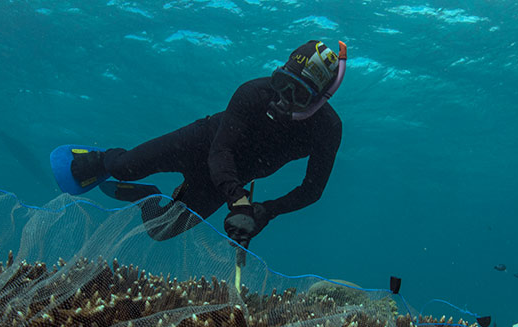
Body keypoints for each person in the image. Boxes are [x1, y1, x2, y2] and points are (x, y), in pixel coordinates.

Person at [68, 40, 346, 246]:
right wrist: (238, 200)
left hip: (228, 180)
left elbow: (312, 190)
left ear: (320, 99)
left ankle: (145, 196)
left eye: (297, 93)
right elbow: (221, 150)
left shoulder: (327, 129)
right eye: (281, 82)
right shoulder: (253, 92)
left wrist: (264, 211)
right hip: (199, 145)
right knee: (123, 167)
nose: (282, 97)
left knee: (160, 231)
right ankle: (104, 158)